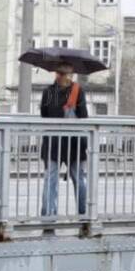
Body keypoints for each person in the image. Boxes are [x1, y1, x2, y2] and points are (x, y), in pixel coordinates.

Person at [38, 65, 91, 220]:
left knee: (50, 180)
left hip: (52, 142)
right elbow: (83, 116)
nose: (69, 77)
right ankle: (83, 214)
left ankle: (48, 215)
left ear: (56, 74)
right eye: (69, 74)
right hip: (74, 143)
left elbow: (44, 115)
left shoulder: (48, 92)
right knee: (79, 179)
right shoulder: (77, 91)